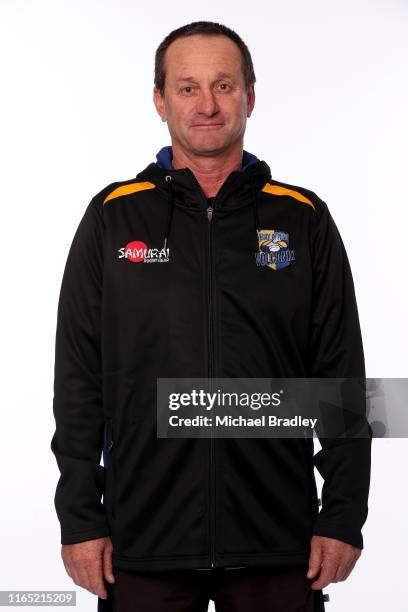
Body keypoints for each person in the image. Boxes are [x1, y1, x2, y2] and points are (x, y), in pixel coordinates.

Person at [51, 20, 372, 612]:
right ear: (160, 100)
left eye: (224, 86)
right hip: (143, 542)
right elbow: (78, 378)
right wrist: (79, 516)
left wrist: (345, 513)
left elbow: (340, 373)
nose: (207, 104)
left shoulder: (303, 219)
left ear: (250, 96)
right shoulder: (112, 218)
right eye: (188, 87)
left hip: (279, 544)